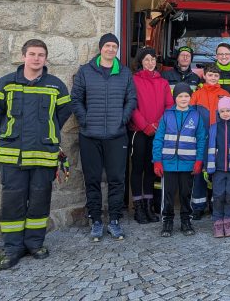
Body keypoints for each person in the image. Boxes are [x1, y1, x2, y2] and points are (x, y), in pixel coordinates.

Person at [0, 39, 72, 269]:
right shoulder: (5, 84)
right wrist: (10, 132)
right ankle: (12, 248)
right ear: (23, 56)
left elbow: (63, 113)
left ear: (46, 58)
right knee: (12, 201)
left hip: (44, 154)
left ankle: (35, 244)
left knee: (39, 200)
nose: (36, 58)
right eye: (32, 54)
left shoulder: (56, 86)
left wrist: (47, 131)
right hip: (12, 154)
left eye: (41, 55)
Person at [72, 33, 137, 242]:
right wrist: (85, 120)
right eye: (107, 45)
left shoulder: (124, 73)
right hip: (90, 135)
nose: (110, 49)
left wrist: (123, 119)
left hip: (117, 135)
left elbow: (131, 99)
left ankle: (115, 220)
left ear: (117, 50)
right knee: (92, 179)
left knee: (117, 180)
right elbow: (76, 98)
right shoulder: (86, 71)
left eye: (114, 46)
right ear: (101, 48)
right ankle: (96, 221)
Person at [152, 83, 207, 237]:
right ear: (175, 98)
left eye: (186, 96)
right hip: (168, 163)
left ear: (190, 97)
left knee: (185, 194)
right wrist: (157, 160)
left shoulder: (196, 116)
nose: (183, 99)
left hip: (188, 164)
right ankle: (167, 221)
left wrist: (199, 160)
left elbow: (201, 139)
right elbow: (158, 139)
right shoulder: (167, 115)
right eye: (180, 96)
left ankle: (186, 221)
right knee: (168, 195)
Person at [129, 47, 173, 225]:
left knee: (150, 169)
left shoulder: (163, 82)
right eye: (146, 59)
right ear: (141, 62)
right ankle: (138, 208)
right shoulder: (134, 80)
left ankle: (148, 206)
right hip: (139, 131)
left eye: (153, 59)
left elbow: (169, 106)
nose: (150, 63)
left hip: (157, 131)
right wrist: (145, 125)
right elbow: (131, 105)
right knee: (137, 169)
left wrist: (157, 125)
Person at [189, 64, 230, 220]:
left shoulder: (225, 94)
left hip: (219, 140)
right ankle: (198, 206)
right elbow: (191, 117)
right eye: (210, 75)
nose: (213, 78)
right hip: (201, 139)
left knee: (217, 173)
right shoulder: (197, 95)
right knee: (199, 172)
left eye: (216, 75)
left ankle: (216, 204)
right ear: (204, 76)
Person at [206, 96, 230, 238]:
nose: (225, 113)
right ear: (218, 112)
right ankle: (218, 222)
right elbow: (207, 148)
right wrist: (205, 168)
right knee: (218, 196)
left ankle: (228, 221)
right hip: (217, 169)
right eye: (222, 111)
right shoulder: (214, 128)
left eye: (228, 110)